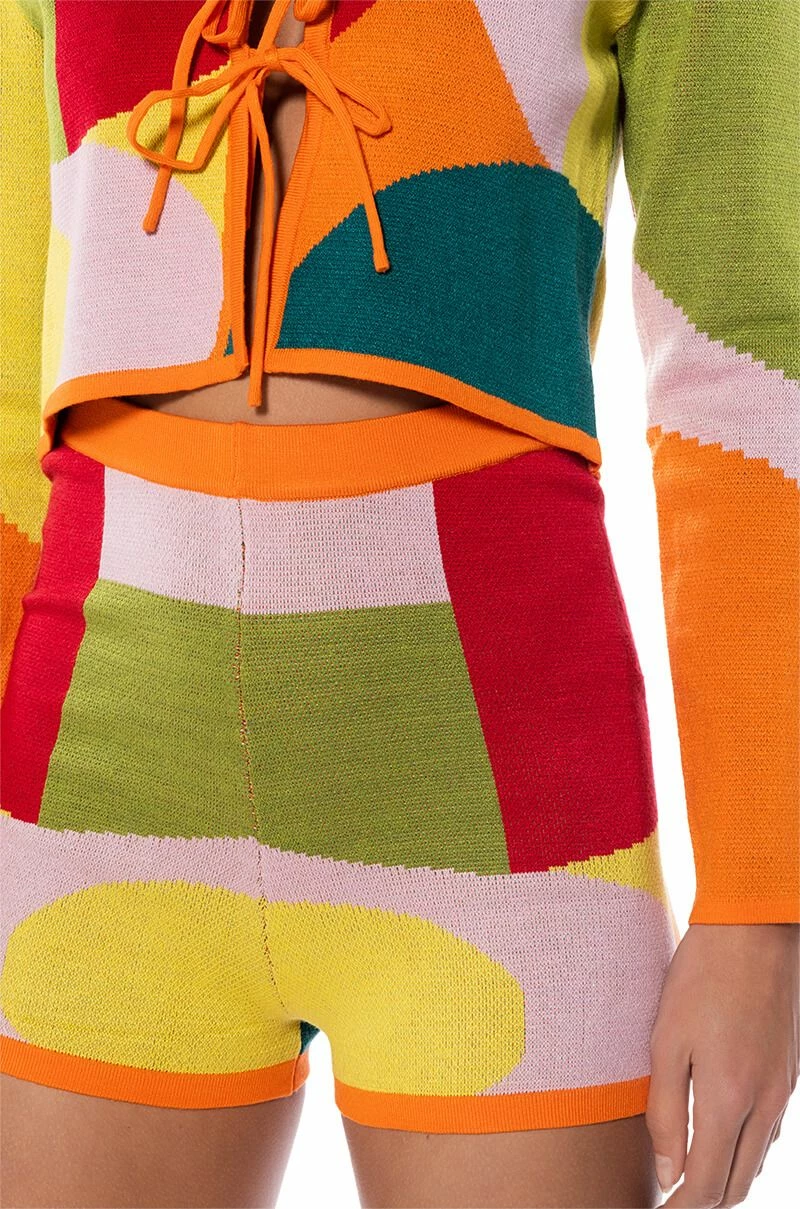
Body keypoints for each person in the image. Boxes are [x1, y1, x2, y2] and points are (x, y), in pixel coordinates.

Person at [1, 1, 797, 1206]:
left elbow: (743, 342)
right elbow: (13, 364)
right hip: (85, 774)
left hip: (502, 781)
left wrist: (759, 902)